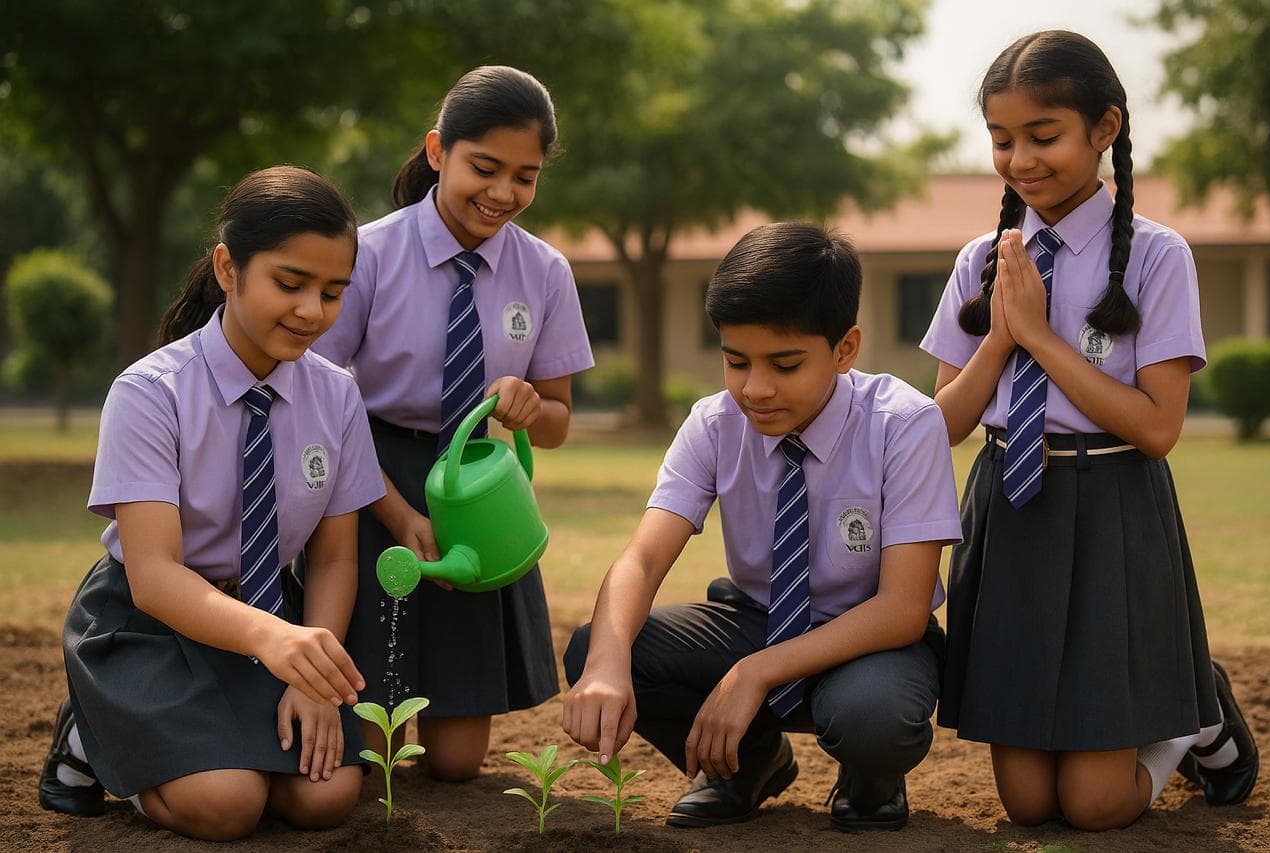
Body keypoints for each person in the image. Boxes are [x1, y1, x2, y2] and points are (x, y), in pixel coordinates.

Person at [920, 30, 1259, 831]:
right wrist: (1001, 337)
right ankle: (1184, 696)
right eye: (1002, 140)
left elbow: (1158, 428)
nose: (1020, 160)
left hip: (1115, 507)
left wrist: (1041, 339)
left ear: (1104, 128)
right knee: (1030, 804)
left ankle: (1195, 716)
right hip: (1010, 508)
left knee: (1095, 803)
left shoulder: (1157, 257)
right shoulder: (980, 261)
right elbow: (944, 426)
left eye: (1044, 136)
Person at [562, 222, 961, 832]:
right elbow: (641, 559)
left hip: (870, 639)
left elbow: (903, 608)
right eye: (735, 361)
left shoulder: (904, 425)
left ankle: (871, 775)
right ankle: (747, 762)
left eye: (785, 363)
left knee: (873, 719)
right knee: (603, 643)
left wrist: (755, 672)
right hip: (757, 619)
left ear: (846, 349)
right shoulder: (714, 424)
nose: (756, 388)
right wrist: (606, 665)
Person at [37, 166, 386, 840]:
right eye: (290, 283)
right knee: (227, 805)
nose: (312, 312)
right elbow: (154, 575)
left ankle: (204, 737)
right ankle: (91, 730)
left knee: (326, 798)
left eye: (333, 292)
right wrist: (276, 641)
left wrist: (312, 677)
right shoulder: (149, 393)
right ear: (228, 268)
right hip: (150, 621)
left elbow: (334, 558)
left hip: (272, 615)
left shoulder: (338, 396)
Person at [311, 65, 594, 780]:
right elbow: (319, 405)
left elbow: (557, 421)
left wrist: (529, 408)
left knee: (457, 764)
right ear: (438, 151)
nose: (503, 193)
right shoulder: (368, 254)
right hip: (368, 473)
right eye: (485, 168)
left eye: (525, 177)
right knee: (370, 754)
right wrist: (399, 513)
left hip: (477, 486)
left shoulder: (546, 272)